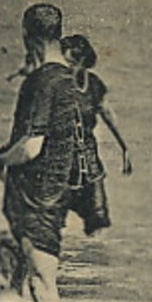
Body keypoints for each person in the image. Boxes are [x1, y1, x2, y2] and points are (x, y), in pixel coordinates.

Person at [0, 3, 81, 302]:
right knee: (29, 281)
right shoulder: (68, 78)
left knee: (41, 282)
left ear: (27, 35)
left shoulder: (41, 81)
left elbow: (31, 148)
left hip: (36, 198)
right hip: (55, 192)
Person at [61, 34, 132, 237]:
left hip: (90, 165)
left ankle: (96, 268)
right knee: (53, 226)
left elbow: (108, 114)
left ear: (82, 61)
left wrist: (124, 149)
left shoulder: (93, 85)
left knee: (98, 223)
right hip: (60, 166)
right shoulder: (54, 85)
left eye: (70, 62)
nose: (66, 67)